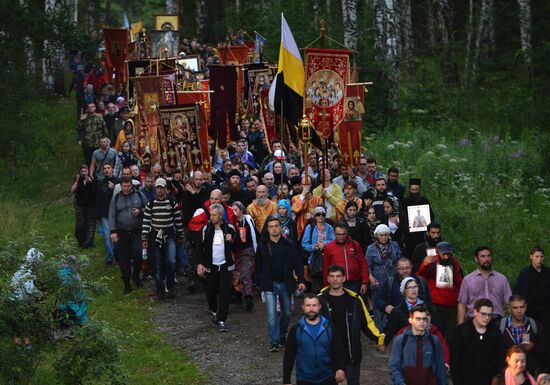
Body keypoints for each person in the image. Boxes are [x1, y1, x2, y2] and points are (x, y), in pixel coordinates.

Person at [318, 265, 385, 385]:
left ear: (344, 278)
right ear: (327, 279)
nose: (335, 279)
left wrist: (379, 338)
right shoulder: (319, 301)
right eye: (332, 276)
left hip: (351, 353)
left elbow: (367, 323)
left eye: (338, 276)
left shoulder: (355, 300)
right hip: (327, 354)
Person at [256, 216, 306, 352]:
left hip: (285, 283)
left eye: (276, 226)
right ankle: (275, 341)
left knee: (287, 313)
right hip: (269, 284)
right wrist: (260, 282)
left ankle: (281, 333)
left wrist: (301, 279)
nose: (274, 229)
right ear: (267, 229)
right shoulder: (263, 246)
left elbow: (297, 263)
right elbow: (258, 266)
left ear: (280, 228)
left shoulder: (289, 245)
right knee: (272, 314)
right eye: (271, 226)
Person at [283, 294, 347, 385]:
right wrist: (286, 380)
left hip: (328, 377)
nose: (311, 309)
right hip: (304, 379)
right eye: (308, 305)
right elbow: (289, 355)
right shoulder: (295, 330)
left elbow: (339, 350)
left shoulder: (329, 328)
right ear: (303, 307)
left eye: (314, 305)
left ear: (320, 307)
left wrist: (341, 368)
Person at [196, 203, 240, 332]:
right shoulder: (206, 229)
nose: (211, 217)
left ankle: (222, 320)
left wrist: (232, 240)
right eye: (211, 214)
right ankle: (214, 310)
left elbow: (238, 245)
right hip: (210, 266)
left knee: (225, 293)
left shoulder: (230, 228)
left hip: (226, 266)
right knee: (210, 291)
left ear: (220, 216)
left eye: (214, 215)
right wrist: (199, 264)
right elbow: (199, 248)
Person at [141, 178, 184, 300]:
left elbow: (177, 220)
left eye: (161, 187)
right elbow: (146, 221)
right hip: (155, 236)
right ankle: (159, 291)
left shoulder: (171, 202)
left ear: (165, 188)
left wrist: (180, 235)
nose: (159, 190)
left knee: (171, 261)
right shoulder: (151, 203)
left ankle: (170, 288)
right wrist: (144, 238)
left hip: (169, 235)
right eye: (157, 187)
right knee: (158, 264)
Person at [388, 303, 448, 385]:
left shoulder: (434, 341)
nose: (422, 322)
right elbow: (394, 367)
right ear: (410, 320)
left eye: (424, 319)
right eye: (418, 319)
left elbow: (440, 369)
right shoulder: (401, 340)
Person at [451, 298, 506, 385]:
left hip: (489, 380)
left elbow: (501, 356)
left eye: (489, 315)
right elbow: (454, 360)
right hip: (466, 381)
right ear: (475, 312)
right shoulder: (461, 331)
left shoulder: (495, 331)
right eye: (483, 314)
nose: (487, 318)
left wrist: (497, 377)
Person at [417, 241, 463, 344]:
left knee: (451, 336)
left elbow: (459, 282)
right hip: (435, 304)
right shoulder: (431, 262)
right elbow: (420, 277)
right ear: (438, 252)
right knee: (437, 334)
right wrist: (424, 265)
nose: (446, 257)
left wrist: (460, 300)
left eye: (448, 254)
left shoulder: (454, 263)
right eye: (444, 254)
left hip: (451, 305)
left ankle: (449, 357)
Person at [108, 177, 147, 294]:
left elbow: (149, 208)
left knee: (138, 254)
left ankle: (136, 275)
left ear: (131, 186)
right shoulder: (116, 199)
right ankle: (126, 282)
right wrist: (113, 231)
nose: (126, 188)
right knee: (123, 259)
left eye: (128, 186)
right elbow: (111, 215)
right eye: (124, 186)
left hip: (136, 231)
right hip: (122, 233)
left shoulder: (139, 196)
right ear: (121, 186)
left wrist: (140, 211)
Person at [457, 246, 512, 324]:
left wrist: (511, 324)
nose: (486, 259)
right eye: (483, 256)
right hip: (474, 321)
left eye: (489, 256)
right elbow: (462, 304)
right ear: (476, 259)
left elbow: (510, 303)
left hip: (496, 321)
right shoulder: (468, 280)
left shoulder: (502, 279)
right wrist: (460, 326)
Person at [375, 257, 432, 330]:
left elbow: (428, 302)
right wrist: (385, 306)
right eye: (402, 268)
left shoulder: (421, 281)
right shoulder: (390, 282)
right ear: (397, 269)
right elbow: (378, 298)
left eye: (407, 268)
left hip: (418, 321)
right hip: (396, 323)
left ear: (412, 267)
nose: (405, 271)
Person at [514, 245, 550, 360]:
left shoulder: (548, 273)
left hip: (546, 312)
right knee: (527, 337)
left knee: (546, 336)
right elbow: (518, 292)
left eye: (541, 256)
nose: (539, 259)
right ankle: (526, 360)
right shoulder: (525, 273)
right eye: (537, 256)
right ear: (531, 257)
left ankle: (545, 363)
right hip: (529, 312)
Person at [366, 224, 402, 329]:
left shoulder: (394, 245)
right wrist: (371, 278)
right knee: (379, 305)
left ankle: (394, 328)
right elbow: (367, 265)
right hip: (378, 280)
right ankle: (380, 329)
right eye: (381, 235)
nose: (384, 237)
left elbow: (400, 260)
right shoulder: (371, 248)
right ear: (377, 236)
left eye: (386, 235)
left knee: (393, 303)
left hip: (393, 279)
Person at [499, 294, 546, 374]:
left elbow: (544, 351)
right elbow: (494, 352)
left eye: (522, 307)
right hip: (506, 374)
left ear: (526, 307)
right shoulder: (500, 326)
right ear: (509, 309)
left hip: (529, 373)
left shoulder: (534, 325)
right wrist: (513, 350)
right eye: (515, 308)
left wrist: (533, 347)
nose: (519, 311)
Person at [322, 223, 369, 295]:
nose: (341, 236)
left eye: (343, 234)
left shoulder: (355, 245)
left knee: (354, 305)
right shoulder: (328, 247)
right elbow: (326, 268)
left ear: (347, 233)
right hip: (337, 283)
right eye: (338, 234)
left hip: (355, 283)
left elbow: (363, 264)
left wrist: (364, 282)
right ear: (334, 234)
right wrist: (326, 286)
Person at [384, 277, 431, 345]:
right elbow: (390, 329)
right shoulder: (398, 310)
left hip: (425, 343)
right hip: (406, 345)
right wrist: (383, 343)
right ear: (404, 290)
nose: (413, 290)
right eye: (410, 287)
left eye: (415, 287)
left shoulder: (426, 306)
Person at [231, 201, 258, 311]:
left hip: (248, 250)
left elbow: (254, 234)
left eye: (236, 210)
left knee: (246, 273)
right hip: (236, 252)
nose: (234, 212)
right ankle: (237, 296)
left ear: (241, 210)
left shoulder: (248, 220)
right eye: (232, 210)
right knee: (236, 274)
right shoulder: (231, 222)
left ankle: (248, 296)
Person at [302, 206, 336, 293]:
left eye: (322, 214)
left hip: (328, 258)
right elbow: (304, 244)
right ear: (315, 216)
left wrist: (324, 244)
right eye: (318, 214)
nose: (320, 217)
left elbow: (334, 240)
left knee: (329, 283)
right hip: (315, 258)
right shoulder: (310, 227)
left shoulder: (329, 227)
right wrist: (314, 247)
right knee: (316, 286)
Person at [95, 163, 118, 265]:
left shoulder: (118, 181)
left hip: (117, 213)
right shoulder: (100, 184)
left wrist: (114, 189)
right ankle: (110, 256)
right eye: (104, 168)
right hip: (105, 214)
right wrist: (97, 216)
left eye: (108, 168)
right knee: (107, 236)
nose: (106, 170)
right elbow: (98, 200)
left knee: (118, 235)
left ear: (112, 169)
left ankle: (119, 255)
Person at [70, 164, 96, 248]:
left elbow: (96, 191)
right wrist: (77, 180)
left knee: (90, 224)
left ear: (88, 172)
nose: (84, 173)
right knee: (80, 225)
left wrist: (91, 183)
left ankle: (88, 243)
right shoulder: (78, 180)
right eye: (82, 171)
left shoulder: (91, 179)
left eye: (85, 171)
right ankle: (81, 242)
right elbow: (72, 191)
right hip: (80, 206)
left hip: (90, 206)